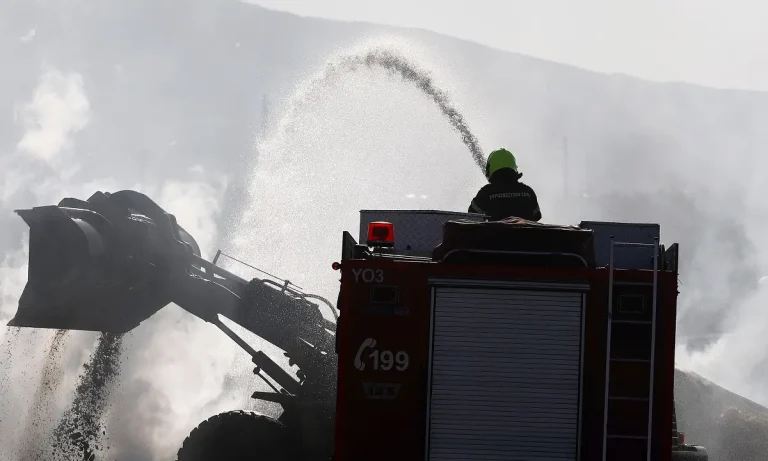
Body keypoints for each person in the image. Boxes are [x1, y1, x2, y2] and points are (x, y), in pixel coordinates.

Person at [468, 148, 542, 221]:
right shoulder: (528, 191)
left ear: (490, 168)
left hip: (496, 233)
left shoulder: (486, 192)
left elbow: (472, 216)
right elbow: (537, 216)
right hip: (526, 233)